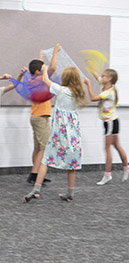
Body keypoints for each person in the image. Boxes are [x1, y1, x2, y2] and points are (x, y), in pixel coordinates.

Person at [23, 64, 87, 203]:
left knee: (46, 160)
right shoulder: (78, 94)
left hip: (59, 134)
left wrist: (45, 69)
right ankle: (70, 193)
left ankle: (36, 190)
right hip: (73, 136)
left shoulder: (61, 90)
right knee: (71, 166)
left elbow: (45, 80)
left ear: (65, 78)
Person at [87, 68, 129, 185]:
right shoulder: (106, 86)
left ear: (109, 79)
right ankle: (127, 168)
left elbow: (92, 98)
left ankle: (107, 175)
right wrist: (90, 66)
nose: (101, 78)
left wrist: (88, 85)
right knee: (116, 145)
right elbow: (96, 74)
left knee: (107, 148)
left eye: (103, 76)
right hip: (113, 120)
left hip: (110, 122)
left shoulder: (108, 92)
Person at [26, 44, 61, 185]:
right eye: (42, 69)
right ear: (38, 72)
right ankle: (35, 175)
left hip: (37, 117)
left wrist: (40, 58)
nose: (45, 70)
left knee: (38, 147)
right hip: (40, 117)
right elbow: (52, 68)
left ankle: (36, 173)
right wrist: (55, 53)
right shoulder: (39, 80)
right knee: (45, 147)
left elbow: (38, 69)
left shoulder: (32, 79)